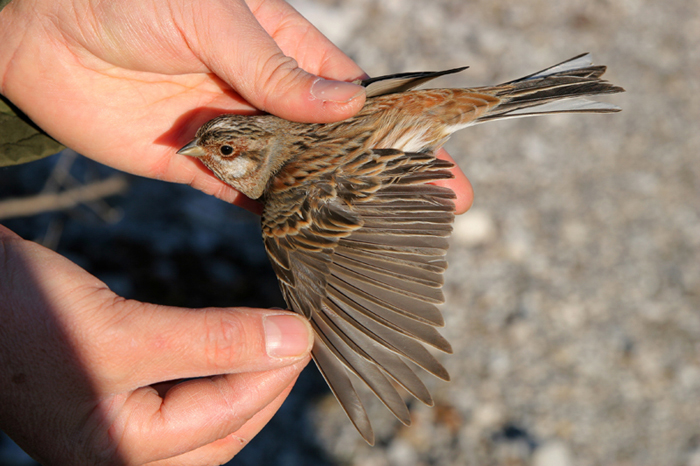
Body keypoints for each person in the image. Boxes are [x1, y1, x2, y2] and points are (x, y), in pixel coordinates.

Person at [0, 0, 473, 464]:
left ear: (256, 149)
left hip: (400, 129)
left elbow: (340, 270)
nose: (197, 153)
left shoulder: (289, 202)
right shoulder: (286, 157)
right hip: (392, 122)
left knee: (291, 239)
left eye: (225, 149)